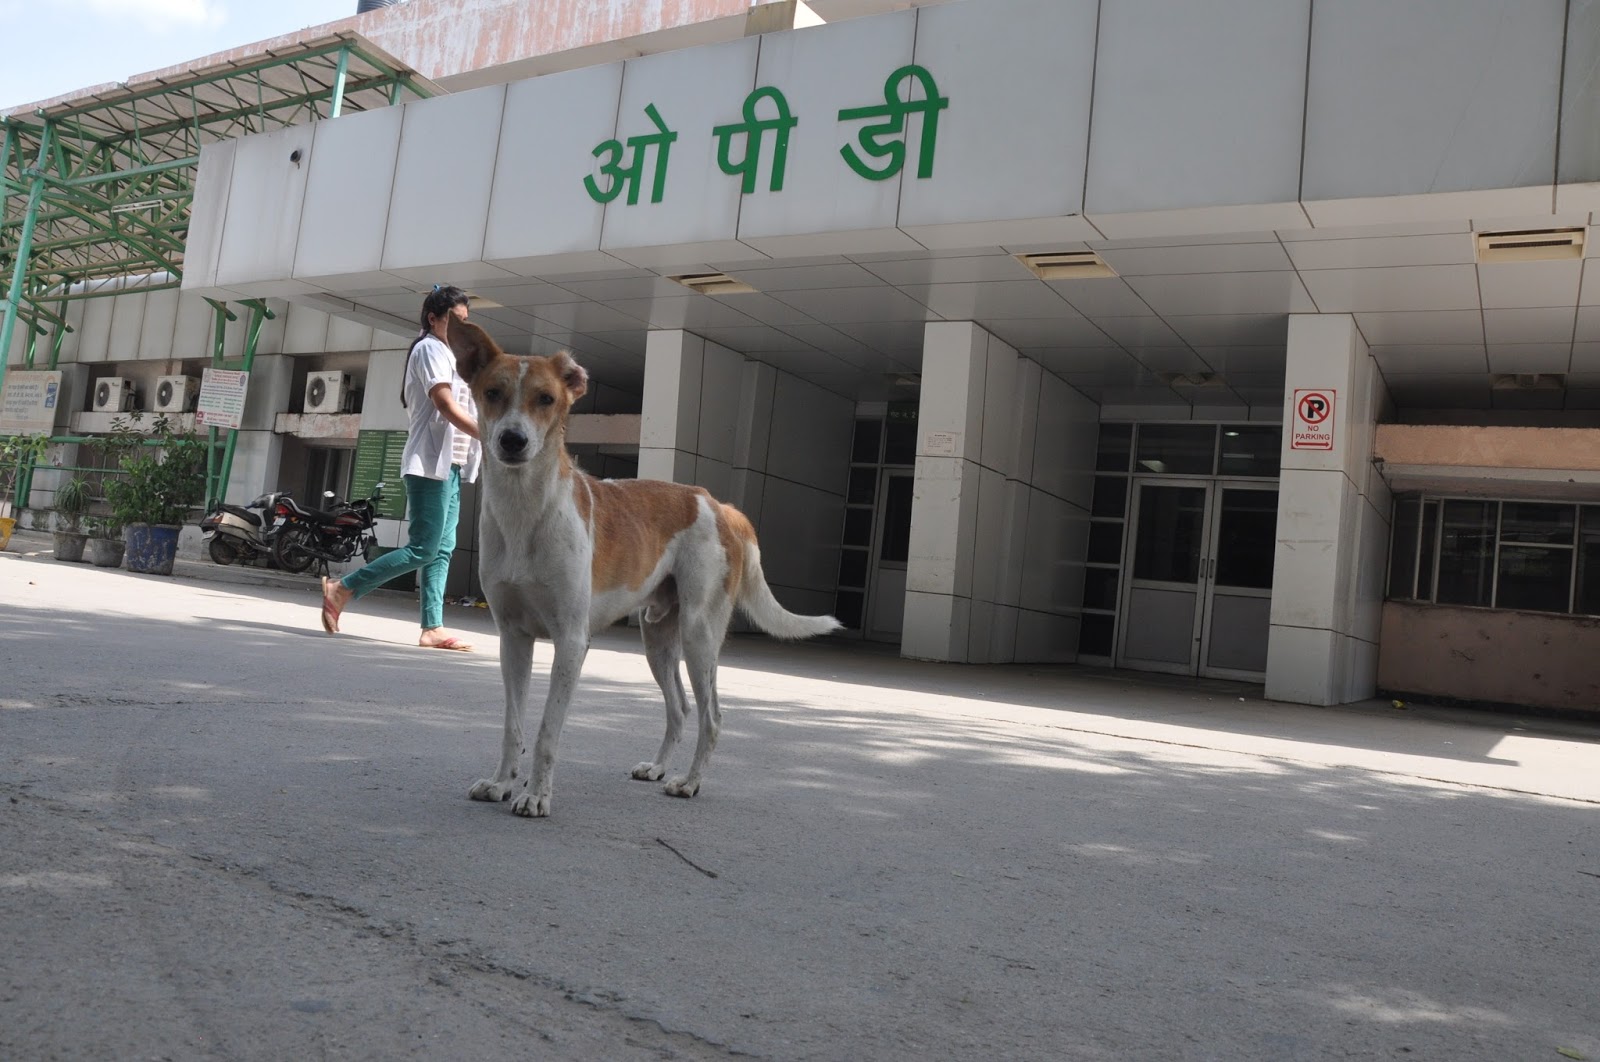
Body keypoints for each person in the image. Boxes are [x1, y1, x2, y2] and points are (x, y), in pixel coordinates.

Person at [319, 285, 482, 650]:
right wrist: (489, 434)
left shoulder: (453, 355)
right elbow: (444, 404)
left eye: (466, 322)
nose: (462, 328)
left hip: (451, 465)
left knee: (442, 549)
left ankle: (432, 628)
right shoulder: (429, 349)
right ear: (433, 319)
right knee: (424, 548)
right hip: (429, 464)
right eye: (455, 320)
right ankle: (343, 588)